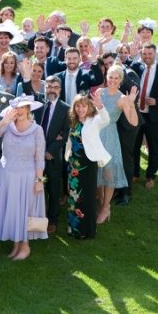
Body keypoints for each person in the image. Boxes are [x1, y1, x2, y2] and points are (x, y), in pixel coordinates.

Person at [0, 96, 47, 260]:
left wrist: (39, 181)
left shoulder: (37, 130)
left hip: (27, 176)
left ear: (28, 109)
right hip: (6, 174)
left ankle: (25, 246)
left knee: (24, 210)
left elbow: (39, 156)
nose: (19, 111)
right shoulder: (7, 127)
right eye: (17, 108)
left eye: (23, 108)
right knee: (11, 208)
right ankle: (15, 245)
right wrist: (3, 121)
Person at [128, 43, 158, 188]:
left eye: (150, 54)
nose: (147, 56)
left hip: (153, 116)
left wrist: (157, 101)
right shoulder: (137, 67)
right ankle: (135, 174)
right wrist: (131, 56)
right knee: (134, 146)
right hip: (136, 115)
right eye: (144, 54)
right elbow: (122, 68)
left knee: (153, 147)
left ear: (155, 54)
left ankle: (150, 176)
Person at [95, 66, 139, 223]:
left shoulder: (122, 99)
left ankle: (106, 207)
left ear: (120, 80)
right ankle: (102, 204)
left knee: (108, 175)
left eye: (116, 78)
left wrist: (131, 103)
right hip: (96, 135)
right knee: (97, 174)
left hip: (110, 136)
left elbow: (134, 122)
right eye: (110, 77)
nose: (112, 81)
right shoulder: (100, 93)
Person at [65, 90, 110, 239]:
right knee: (73, 196)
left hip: (87, 163)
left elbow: (106, 120)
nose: (80, 109)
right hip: (73, 164)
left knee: (87, 198)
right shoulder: (74, 121)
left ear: (89, 107)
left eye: (84, 106)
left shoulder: (94, 119)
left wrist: (100, 106)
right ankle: (74, 229)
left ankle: (88, 231)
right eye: (78, 106)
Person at [29, 75, 70, 234]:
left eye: (55, 87)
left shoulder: (66, 108)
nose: (51, 90)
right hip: (33, 155)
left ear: (60, 89)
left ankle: (53, 220)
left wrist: (49, 151)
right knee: (35, 188)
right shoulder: (37, 104)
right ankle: (35, 217)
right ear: (44, 88)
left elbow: (65, 134)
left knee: (53, 189)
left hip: (53, 157)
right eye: (49, 87)